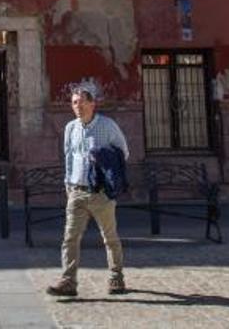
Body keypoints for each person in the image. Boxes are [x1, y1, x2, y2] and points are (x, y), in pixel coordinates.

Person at [46, 84, 129, 297]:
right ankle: (68, 281)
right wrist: (68, 185)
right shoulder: (70, 128)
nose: (78, 107)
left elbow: (123, 153)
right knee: (70, 238)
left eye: (82, 102)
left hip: (101, 193)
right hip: (77, 191)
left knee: (109, 237)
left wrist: (104, 158)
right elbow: (68, 157)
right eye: (74, 103)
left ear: (93, 103)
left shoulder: (108, 126)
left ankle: (116, 277)